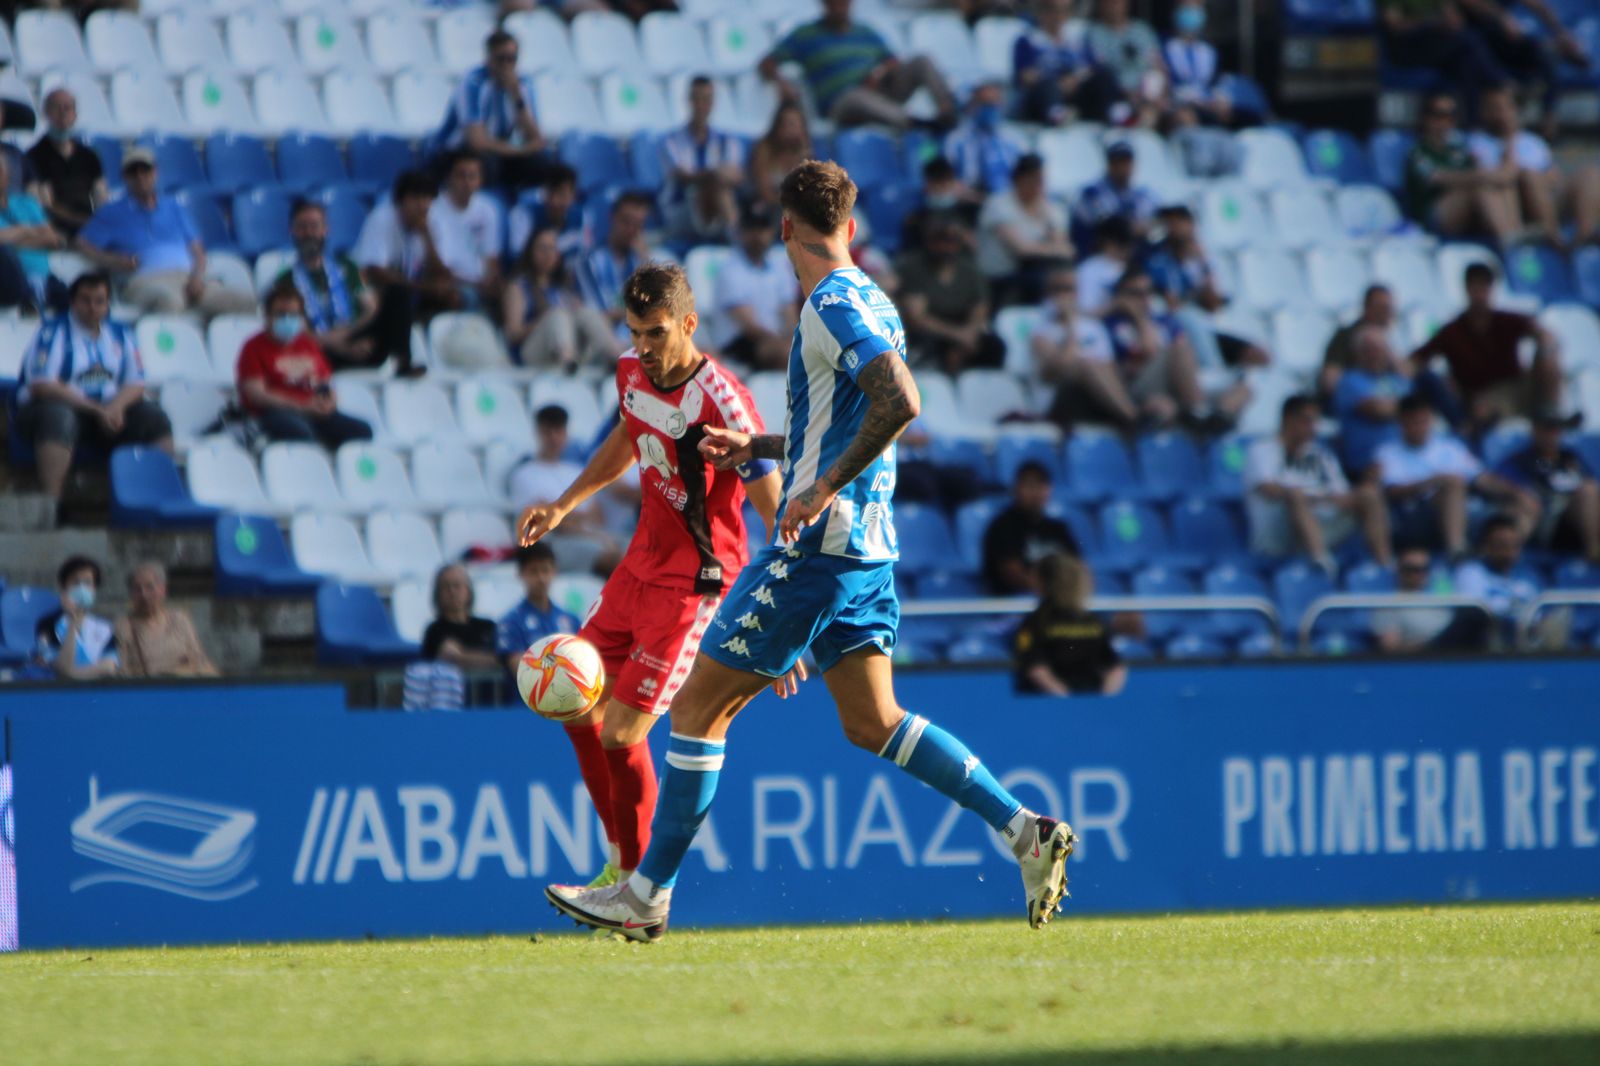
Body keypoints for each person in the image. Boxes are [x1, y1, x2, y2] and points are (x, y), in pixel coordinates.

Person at [544, 161, 1077, 941]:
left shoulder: (827, 305)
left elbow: (901, 400)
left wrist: (819, 486)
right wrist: (757, 444)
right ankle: (1023, 830)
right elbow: (846, 416)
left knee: (695, 711)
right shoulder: (875, 298)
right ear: (849, 229)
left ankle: (645, 894)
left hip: (820, 549)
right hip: (869, 551)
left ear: (785, 229)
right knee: (874, 720)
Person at [518, 261, 783, 890]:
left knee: (622, 729)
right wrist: (564, 502)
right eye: (635, 331)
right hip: (637, 569)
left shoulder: (723, 399)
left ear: (689, 323)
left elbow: (773, 509)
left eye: (657, 332)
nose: (644, 346)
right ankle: (620, 863)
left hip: (694, 586)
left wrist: (778, 608)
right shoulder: (631, 371)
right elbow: (628, 437)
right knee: (580, 708)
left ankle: (639, 891)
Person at [15, 272, 174, 501]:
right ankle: (52, 502)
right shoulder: (52, 332)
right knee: (58, 416)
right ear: (73, 301)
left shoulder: (122, 333)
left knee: (154, 417)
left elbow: (136, 382)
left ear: (108, 303)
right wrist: (97, 410)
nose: (92, 307)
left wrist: (116, 408)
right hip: (51, 411)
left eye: (99, 301)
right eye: (85, 300)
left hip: (106, 412)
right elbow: (43, 386)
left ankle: (158, 496)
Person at [75, 147, 257, 318]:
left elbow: (198, 250)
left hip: (186, 277)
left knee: (246, 303)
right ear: (125, 177)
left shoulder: (173, 207)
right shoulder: (111, 212)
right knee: (169, 302)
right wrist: (113, 260)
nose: (140, 177)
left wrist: (197, 278)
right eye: (133, 172)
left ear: (155, 172)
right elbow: (82, 244)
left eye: (145, 170)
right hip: (145, 280)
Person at [1409, 262, 1562, 436]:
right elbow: (1417, 359)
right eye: (1476, 287)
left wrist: (1547, 346)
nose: (1480, 294)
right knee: (1484, 408)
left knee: (1549, 360)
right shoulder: (1452, 332)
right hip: (1484, 397)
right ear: (1467, 289)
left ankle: (1552, 415)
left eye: (1484, 287)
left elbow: (1544, 333)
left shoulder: (1506, 320)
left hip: (1517, 387)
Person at [1376, 394, 1539, 555]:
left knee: (1525, 504)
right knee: (1453, 484)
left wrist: (1518, 493)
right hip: (1414, 519)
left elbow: (1481, 478)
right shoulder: (1388, 452)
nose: (1420, 427)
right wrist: (1434, 481)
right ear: (1402, 422)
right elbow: (1393, 492)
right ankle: (1456, 550)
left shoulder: (1449, 447)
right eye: (1414, 422)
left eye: (1424, 421)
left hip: (1465, 513)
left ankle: (1500, 555)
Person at [1246, 395, 1394, 571]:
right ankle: (1321, 562)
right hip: (1277, 534)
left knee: (1369, 494)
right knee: (1295, 494)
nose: (1313, 428)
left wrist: (1321, 499)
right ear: (1288, 420)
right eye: (1307, 421)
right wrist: (1315, 497)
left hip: (1321, 524)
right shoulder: (1262, 450)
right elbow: (1269, 490)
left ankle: (1384, 565)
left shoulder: (1321, 454)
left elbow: (1342, 496)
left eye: (1315, 421)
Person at [760, 0, 957, 131]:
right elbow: (768, 62)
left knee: (921, 60)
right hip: (840, 103)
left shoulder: (864, 32)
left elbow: (892, 60)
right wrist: (781, 83)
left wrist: (879, 73)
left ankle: (947, 110)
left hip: (877, 91)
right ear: (824, 4)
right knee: (855, 96)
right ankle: (913, 123)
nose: (840, 6)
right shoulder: (806, 34)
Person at [236, 281, 374, 450]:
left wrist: (329, 402)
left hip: (313, 411)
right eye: (281, 314)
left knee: (361, 431)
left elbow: (325, 381)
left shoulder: (307, 344)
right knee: (301, 432)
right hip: (276, 412)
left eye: (293, 314)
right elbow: (257, 394)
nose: (287, 319)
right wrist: (302, 406)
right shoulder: (253, 348)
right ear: (268, 316)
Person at [1103, 266, 1237, 430]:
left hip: (1178, 385)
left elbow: (1188, 362)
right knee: (1179, 349)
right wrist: (1139, 318)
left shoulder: (1165, 320)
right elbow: (1147, 351)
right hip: (1141, 384)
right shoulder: (1113, 324)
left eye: (1148, 292)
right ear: (1122, 295)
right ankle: (1198, 413)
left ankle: (1215, 417)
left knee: (1245, 386)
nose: (1143, 299)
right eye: (1136, 293)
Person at [1467, 84, 1600, 247]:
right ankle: (1554, 239)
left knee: (1591, 174)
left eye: (1504, 108)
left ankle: (1584, 235)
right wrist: (1510, 141)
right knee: (1529, 176)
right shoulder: (1477, 141)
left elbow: (1554, 176)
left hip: (1546, 198)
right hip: (1513, 207)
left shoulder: (1533, 141)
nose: (1500, 114)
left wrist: (1541, 180)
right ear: (1484, 112)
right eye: (1494, 108)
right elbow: (1501, 176)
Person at [353, 170, 456, 375]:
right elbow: (375, 271)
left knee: (452, 295)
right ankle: (402, 359)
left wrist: (427, 237)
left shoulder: (434, 222)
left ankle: (445, 358)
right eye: (416, 198)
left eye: (427, 198)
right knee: (398, 293)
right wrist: (422, 287)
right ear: (401, 200)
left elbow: (442, 272)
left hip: (413, 290)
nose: (422, 205)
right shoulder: (382, 218)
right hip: (372, 290)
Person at [433, 29, 552, 191]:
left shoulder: (523, 85)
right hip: (459, 151)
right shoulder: (473, 83)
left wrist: (517, 96)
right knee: (486, 164)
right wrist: (521, 150)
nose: (506, 65)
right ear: (488, 59)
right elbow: (477, 142)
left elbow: (536, 138)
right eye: (501, 59)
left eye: (511, 59)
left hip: (499, 150)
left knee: (543, 163)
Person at [277, 200, 383, 370]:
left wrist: (350, 335)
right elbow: (298, 332)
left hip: (357, 341)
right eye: (302, 227)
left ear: (326, 230)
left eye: (314, 226)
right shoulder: (285, 281)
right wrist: (341, 347)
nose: (309, 232)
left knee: (398, 296)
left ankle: (403, 363)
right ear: (292, 231)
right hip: (320, 353)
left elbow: (371, 309)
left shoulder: (347, 267)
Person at [1403, 93, 1519, 242]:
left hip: (1467, 212)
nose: (1444, 121)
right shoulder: (1418, 153)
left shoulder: (1459, 150)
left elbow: (1484, 173)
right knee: (1481, 187)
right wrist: (1484, 176)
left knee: (1501, 186)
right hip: (1433, 216)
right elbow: (1438, 178)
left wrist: (1509, 143)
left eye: (1450, 115)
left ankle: (1517, 236)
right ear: (1425, 117)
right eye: (1438, 114)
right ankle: (1509, 242)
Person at [894, 218, 1003, 375]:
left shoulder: (969, 270)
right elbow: (917, 318)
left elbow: (980, 306)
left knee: (993, 345)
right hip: (932, 331)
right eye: (940, 241)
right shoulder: (914, 267)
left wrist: (970, 332)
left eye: (951, 242)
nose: (945, 247)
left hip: (963, 327)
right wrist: (957, 335)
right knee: (932, 344)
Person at [503, 226, 616, 370]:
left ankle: (615, 355)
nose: (547, 254)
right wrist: (545, 319)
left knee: (586, 312)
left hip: (572, 346)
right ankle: (567, 359)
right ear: (531, 252)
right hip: (533, 353)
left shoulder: (564, 289)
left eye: (552, 249)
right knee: (557, 315)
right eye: (542, 249)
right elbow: (513, 334)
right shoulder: (519, 287)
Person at [1013, 553, 1126, 696]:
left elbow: (1114, 667)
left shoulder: (1035, 621)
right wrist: (1102, 700)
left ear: (1042, 580)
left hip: (1058, 703)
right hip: (1053, 702)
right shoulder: (1090, 620)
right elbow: (1034, 667)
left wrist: (1068, 700)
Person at [1495, 410, 1600, 561]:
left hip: (1578, 520)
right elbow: (1499, 482)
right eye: (1548, 429)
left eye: (1557, 429)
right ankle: (1593, 550)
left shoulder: (1570, 458)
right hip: (1545, 520)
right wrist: (1521, 495)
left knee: (1590, 490)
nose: (1552, 434)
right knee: (1588, 491)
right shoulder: (1523, 460)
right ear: (1535, 430)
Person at [976, 153, 1074, 306]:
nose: (1038, 185)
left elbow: (1063, 249)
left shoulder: (1052, 209)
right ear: (1019, 179)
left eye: (1040, 180)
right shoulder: (998, 205)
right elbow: (1021, 250)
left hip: (1039, 277)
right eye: (1033, 179)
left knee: (1061, 275)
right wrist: (1052, 248)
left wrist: (1044, 217)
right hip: (999, 279)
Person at [1379, 0, 1506, 117]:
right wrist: (1430, 22)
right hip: (1407, 47)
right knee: (1469, 42)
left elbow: (1456, 21)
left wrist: (1446, 22)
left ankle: (1472, 120)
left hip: (1435, 42)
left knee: (1466, 60)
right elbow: (1394, 25)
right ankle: (1497, 83)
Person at [714, 204, 800, 372]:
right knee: (789, 354)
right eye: (751, 229)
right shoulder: (730, 270)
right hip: (739, 345)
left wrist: (795, 340)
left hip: (773, 340)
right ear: (741, 232)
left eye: (763, 228)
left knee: (809, 352)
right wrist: (785, 343)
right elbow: (749, 327)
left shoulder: (779, 266)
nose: (758, 235)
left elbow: (789, 314)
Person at [660, 77, 745, 244]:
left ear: (713, 103)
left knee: (722, 189)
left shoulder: (726, 140)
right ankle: (736, 240)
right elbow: (684, 177)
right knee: (717, 188)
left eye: (705, 99)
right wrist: (716, 174)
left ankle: (733, 234)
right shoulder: (671, 140)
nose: (700, 105)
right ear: (689, 101)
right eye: (696, 99)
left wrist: (717, 176)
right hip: (681, 207)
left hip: (716, 206)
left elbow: (736, 175)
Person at [1012, 0, 1123, 125]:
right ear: (1042, 12)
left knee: (1105, 75)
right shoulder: (1028, 40)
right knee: (1047, 88)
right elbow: (1025, 75)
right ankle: (1057, 116)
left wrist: (1075, 79)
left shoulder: (1077, 40)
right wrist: (1057, 83)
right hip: (1045, 94)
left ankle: (1115, 114)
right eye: (1053, 10)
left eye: (1064, 10)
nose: (1059, 16)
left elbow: (1095, 66)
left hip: (1077, 92)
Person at [983, 460, 1082, 596]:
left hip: (1057, 600)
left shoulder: (1058, 527)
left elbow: (1077, 566)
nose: (1036, 492)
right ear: (1016, 488)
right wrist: (1048, 591)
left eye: (1041, 486)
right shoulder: (1002, 526)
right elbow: (1011, 573)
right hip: (1016, 603)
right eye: (1029, 486)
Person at [25, 88, 109, 238]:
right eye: (56, 108)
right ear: (46, 113)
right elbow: (45, 203)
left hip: (89, 224)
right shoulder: (35, 155)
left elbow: (101, 197)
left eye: (67, 108)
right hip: (57, 226)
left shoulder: (88, 155)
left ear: (75, 115)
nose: (62, 113)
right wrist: (81, 221)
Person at [115, 560, 219, 678]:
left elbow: (199, 660)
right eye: (137, 589)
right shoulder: (124, 625)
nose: (144, 594)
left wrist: (178, 673)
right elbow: (122, 671)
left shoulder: (179, 620)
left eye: (150, 587)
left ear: (163, 590)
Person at [427, 151, 503, 307]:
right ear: (449, 177)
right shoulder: (433, 210)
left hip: (480, 284)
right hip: (451, 283)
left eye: (472, 176)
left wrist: (491, 281)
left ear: (480, 180)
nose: (467, 182)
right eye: (461, 176)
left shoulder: (487, 210)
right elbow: (436, 265)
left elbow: (491, 257)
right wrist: (473, 285)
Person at [1332, 326, 1411, 475]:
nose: (1375, 354)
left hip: (1405, 459)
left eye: (1380, 349)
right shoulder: (1349, 381)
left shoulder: (1396, 380)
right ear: (1358, 353)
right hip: (1368, 463)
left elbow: (1417, 409)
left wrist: (1398, 408)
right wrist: (1404, 408)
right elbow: (1377, 410)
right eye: (1369, 350)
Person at [1452, 513, 1541, 644]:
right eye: (1503, 545)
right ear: (1486, 546)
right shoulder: (1470, 572)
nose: (1509, 551)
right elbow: (1477, 615)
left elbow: (1537, 617)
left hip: (1527, 646)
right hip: (1489, 649)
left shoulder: (1528, 576)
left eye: (1514, 545)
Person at [495, 542, 581, 674]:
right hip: (527, 695)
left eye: (545, 570)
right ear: (521, 574)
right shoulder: (510, 622)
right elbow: (521, 668)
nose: (541, 578)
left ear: (554, 571)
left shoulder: (571, 620)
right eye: (533, 571)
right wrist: (562, 661)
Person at [1373, 547, 1480, 652]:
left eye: (1424, 569)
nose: (1418, 574)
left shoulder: (1439, 596)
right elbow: (1390, 649)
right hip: (1427, 654)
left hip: (1453, 650)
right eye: (1411, 569)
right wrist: (1427, 647)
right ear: (1399, 570)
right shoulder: (1389, 604)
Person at [576, 193, 652, 335]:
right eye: (625, 221)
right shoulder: (589, 261)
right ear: (612, 218)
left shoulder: (641, 261)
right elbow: (599, 315)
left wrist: (646, 263)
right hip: (603, 340)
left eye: (637, 225)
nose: (631, 230)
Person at [34, 555, 119, 680]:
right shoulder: (47, 624)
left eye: (87, 582)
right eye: (75, 582)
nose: (82, 588)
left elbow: (109, 667)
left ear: (94, 588)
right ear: (63, 587)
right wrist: (72, 623)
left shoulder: (106, 627)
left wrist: (73, 675)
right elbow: (60, 667)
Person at [1085, 0, 1167, 126]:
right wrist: (1128, 93)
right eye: (1109, 3)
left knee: (1155, 77)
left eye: (1117, 2)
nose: (1113, 6)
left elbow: (1158, 65)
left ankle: (1145, 120)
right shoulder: (1094, 33)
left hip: (1145, 94)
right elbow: (1098, 69)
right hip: (1116, 94)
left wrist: (1159, 95)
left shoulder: (1142, 30)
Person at [1321, 284, 1403, 402]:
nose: (1387, 314)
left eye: (1389, 308)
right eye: (1381, 308)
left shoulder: (1390, 337)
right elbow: (1330, 380)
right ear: (1367, 308)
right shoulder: (1345, 336)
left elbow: (1405, 376)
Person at [0, 150, 60, 310]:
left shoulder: (27, 202)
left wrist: (13, 240)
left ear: (7, 175)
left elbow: (52, 239)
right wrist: (26, 230)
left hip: (44, 280)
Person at [942, 82, 1025, 196]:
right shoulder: (956, 139)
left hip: (1007, 199)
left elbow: (1025, 175)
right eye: (985, 103)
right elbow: (946, 179)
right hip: (967, 199)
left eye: (994, 104)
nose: (990, 108)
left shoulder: (1014, 138)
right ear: (973, 105)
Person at [1163, 0, 1231, 128]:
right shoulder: (1164, 47)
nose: (1192, 12)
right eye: (1187, 8)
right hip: (1178, 108)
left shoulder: (1210, 51)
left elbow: (1216, 85)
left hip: (1206, 107)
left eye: (1196, 8)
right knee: (1186, 117)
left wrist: (1219, 101)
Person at [421, 564, 502, 670]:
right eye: (445, 587)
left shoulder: (488, 626)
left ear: (468, 591)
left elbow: (506, 656)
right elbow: (452, 658)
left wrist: (464, 654)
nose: (452, 591)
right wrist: (491, 658)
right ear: (437, 594)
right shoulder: (435, 631)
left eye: (457, 585)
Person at [1074, 141, 1159, 241]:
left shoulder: (1142, 193)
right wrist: (1135, 227)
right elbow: (1108, 227)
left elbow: (1156, 223)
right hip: (1098, 250)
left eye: (1127, 161)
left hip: (1134, 250)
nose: (1124, 167)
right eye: (1119, 162)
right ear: (1110, 164)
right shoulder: (1092, 192)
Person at [507, 163, 588, 266]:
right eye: (551, 193)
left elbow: (583, 256)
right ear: (544, 191)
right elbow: (517, 257)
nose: (555, 201)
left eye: (562, 194)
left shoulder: (581, 217)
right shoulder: (525, 213)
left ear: (573, 195)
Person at [748, 103, 813, 209]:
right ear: (777, 126)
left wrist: (803, 157)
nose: (789, 130)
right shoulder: (765, 149)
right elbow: (764, 190)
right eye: (786, 124)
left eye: (794, 125)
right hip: (767, 207)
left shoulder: (806, 153)